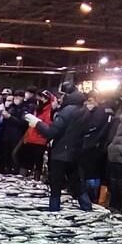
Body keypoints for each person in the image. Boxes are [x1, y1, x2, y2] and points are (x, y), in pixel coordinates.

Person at [28, 83, 93, 212]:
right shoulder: (84, 110)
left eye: (61, 95)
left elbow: (52, 132)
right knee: (76, 182)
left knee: (56, 183)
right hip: (75, 152)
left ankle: (54, 210)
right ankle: (87, 207)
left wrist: (37, 123)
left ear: (66, 95)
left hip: (61, 153)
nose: (59, 98)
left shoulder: (67, 110)